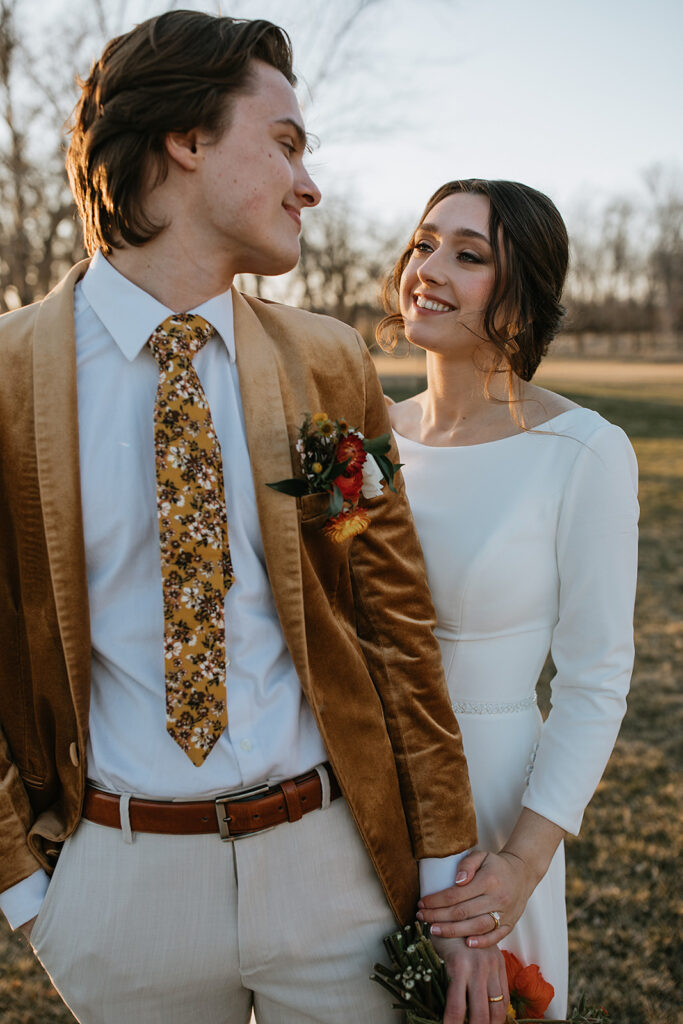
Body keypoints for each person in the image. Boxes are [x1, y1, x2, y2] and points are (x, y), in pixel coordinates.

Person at [0, 14, 510, 1024]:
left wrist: (450, 881)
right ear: (185, 139)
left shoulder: (327, 365)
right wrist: (25, 888)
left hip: (335, 875)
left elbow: (393, 626)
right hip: (118, 902)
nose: (307, 184)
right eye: (283, 142)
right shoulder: (8, 376)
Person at [381, 179, 639, 1019]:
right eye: (423, 244)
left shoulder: (581, 451)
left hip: (489, 805)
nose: (429, 268)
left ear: (521, 291)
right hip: (347, 786)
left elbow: (594, 678)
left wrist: (521, 864)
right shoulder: (361, 438)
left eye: (468, 255)